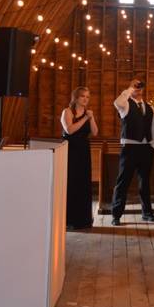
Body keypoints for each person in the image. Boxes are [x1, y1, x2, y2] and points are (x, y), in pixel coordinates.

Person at [112, 78, 154, 225]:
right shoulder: (125, 105)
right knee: (123, 182)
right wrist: (129, 88)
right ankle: (116, 215)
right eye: (135, 86)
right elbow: (117, 103)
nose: (138, 89)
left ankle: (147, 213)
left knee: (144, 182)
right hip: (130, 147)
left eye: (140, 87)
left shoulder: (150, 107)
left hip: (146, 148)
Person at [61, 86, 98, 229]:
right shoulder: (67, 111)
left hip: (83, 150)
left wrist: (92, 117)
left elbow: (94, 132)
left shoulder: (89, 113)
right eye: (83, 96)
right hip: (71, 151)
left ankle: (84, 219)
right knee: (72, 183)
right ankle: (70, 220)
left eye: (88, 97)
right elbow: (69, 130)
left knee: (83, 184)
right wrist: (85, 118)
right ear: (76, 97)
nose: (86, 99)